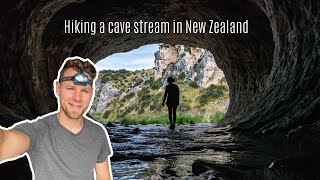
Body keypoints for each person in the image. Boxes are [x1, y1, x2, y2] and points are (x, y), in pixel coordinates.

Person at [0, 57, 113, 180]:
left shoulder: (98, 133)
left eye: (84, 91)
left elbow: (104, 176)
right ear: (58, 88)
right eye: (71, 88)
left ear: (92, 93)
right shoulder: (38, 130)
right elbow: (5, 143)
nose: (77, 98)